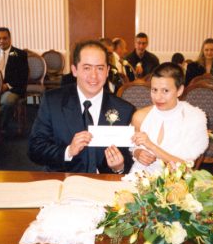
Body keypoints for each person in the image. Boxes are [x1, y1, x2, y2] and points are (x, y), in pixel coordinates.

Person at [28, 40, 135, 173]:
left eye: (100, 68)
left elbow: (130, 156)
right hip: (64, 180)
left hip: (104, 185)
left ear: (107, 71)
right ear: (74, 70)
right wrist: (68, 151)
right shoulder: (53, 102)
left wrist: (120, 167)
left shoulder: (124, 110)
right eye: (87, 68)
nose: (94, 75)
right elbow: (35, 149)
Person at [130, 62, 209, 175]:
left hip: (176, 183)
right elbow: (132, 147)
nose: (158, 97)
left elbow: (186, 169)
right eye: (154, 90)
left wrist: (151, 146)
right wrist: (137, 153)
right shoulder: (140, 116)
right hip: (140, 177)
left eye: (165, 91)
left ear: (180, 90)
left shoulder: (194, 118)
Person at [0, 27, 28, 132]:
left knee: (6, 101)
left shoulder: (20, 54)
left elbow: (23, 76)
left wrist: (7, 86)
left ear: (10, 38)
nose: (1, 41)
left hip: (12, 88)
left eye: (4, 38)